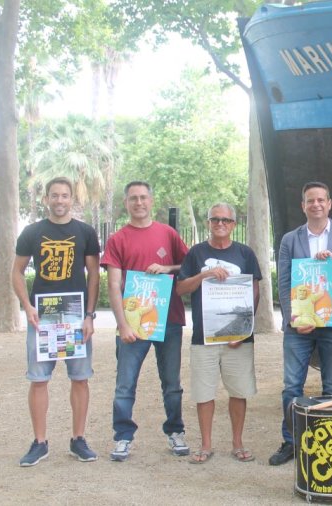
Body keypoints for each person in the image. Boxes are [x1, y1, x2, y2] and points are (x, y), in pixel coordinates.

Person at [269, 182, 332, 466]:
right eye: (310, 200)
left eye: (321, 200)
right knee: (292, 386)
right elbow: (285, 281)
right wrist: (293, 318)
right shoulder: (290, 238)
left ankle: (330, 443)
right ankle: (291, 441)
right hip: (300, 325)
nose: (316, 204)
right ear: (303, 205)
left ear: (329, 203)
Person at [12, 177, 101, 466]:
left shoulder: (85, 232)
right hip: (43, 314)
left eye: (64, 195)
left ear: (72, 198)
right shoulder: (32, 232)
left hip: (76, 315)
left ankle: (78, 439)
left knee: (80, 378)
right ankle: (39, 442)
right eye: (54, 195)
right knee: (39, 380)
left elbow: (94, 275)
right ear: (46, 199)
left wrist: (89, 315)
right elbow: (16, 272)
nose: (59, 200)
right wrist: (27, 306)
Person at [102, 181, 190, 462]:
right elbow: (114, 285)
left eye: (143, 197)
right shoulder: (118, 239)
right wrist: (123, 324)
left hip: (169, 321)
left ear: (151, 201)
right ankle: (123, 437)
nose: (138, 203)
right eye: (132, 199)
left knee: (172, 383)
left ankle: (175, 431)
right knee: (125, 384)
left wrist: (168, 268)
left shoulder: (168, 234)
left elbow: (188, 266)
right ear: (126, 203)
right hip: (134, 324)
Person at [177, 203, 262, 464]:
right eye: (215, 219)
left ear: (234, 224)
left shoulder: (245, 253)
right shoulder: (196, 253)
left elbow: (254, 290)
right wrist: (204, 275)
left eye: (226, 220)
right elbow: (180, 288)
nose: (220, 224)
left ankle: (237, 443)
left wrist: (244, 327)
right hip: (205, 335)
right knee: (204, 392)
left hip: (239, 338)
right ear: (208, 223)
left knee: (238, 391)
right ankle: (206, 445)